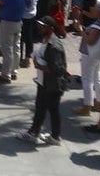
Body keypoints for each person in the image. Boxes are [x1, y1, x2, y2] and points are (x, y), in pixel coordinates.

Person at [19, 16, 68, 146]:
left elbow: (57, 69)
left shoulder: (54, 46)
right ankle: (48, 135)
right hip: (44, 82)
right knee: (46, 109)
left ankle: (37, 134)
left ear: (51, 28)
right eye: (40, 25)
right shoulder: (47, 40)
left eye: (43, 26)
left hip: (51, 85)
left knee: (48, 109)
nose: (40, 27)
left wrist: (38, 65)